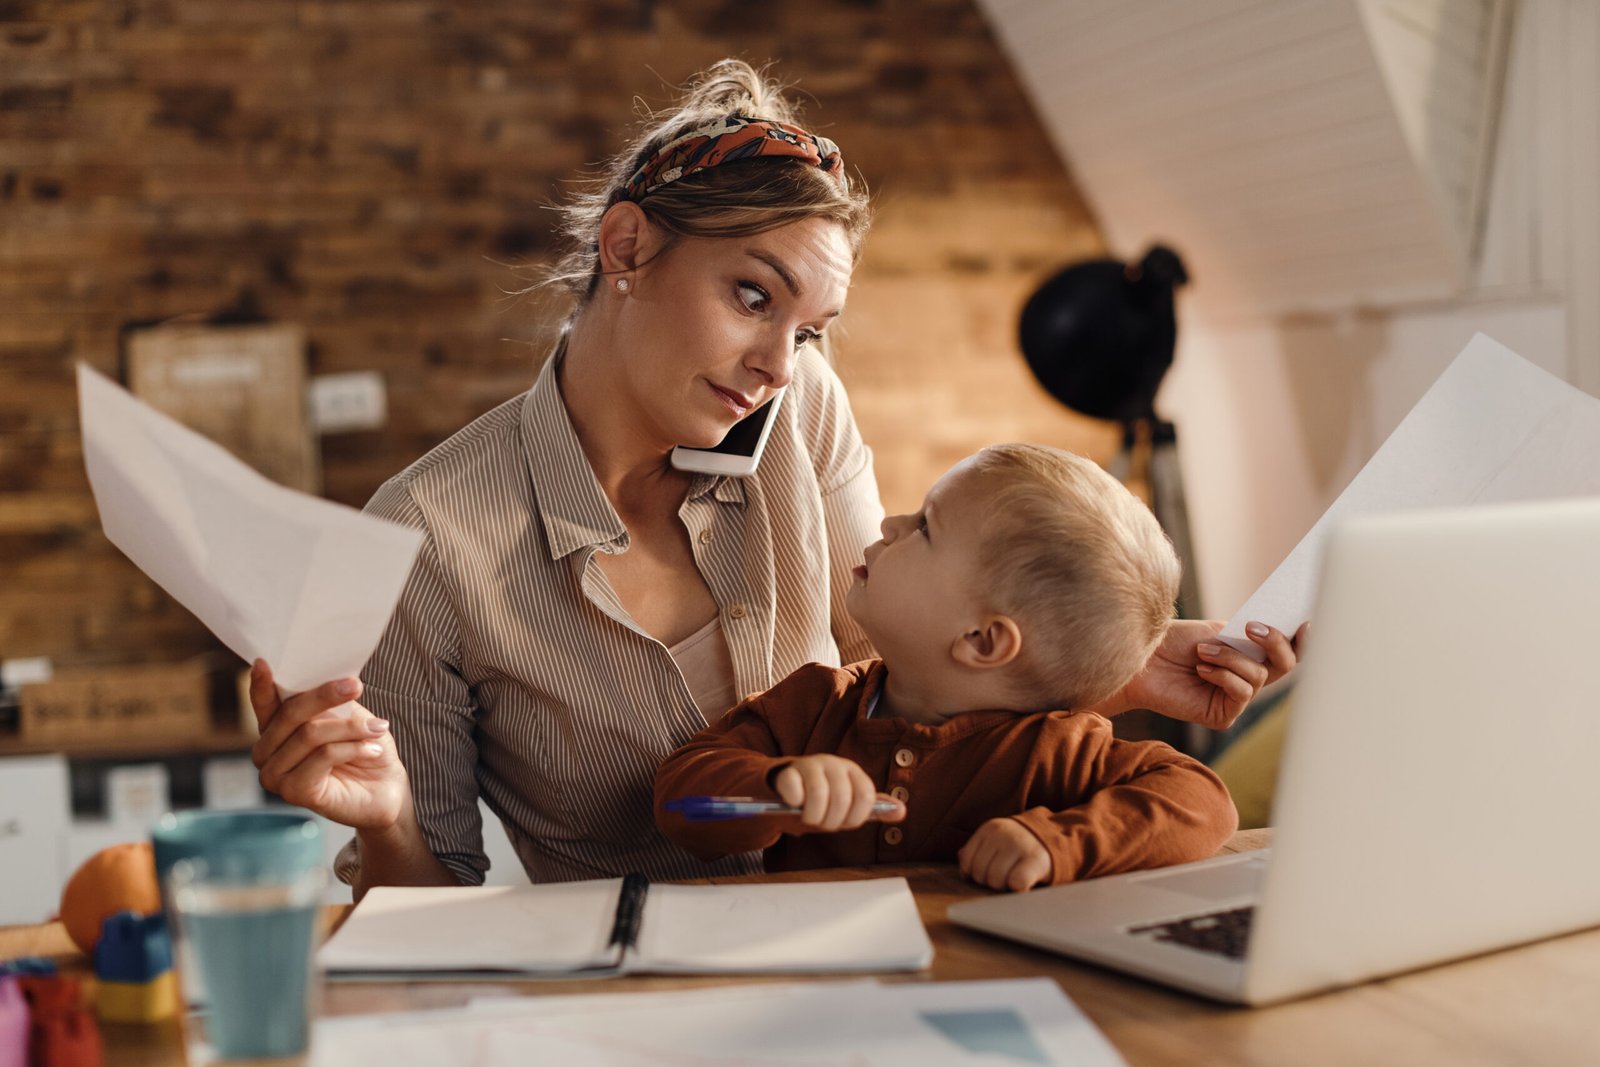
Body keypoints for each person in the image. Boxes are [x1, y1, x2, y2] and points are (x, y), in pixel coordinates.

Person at [247, 60, 1301, 899]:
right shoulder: (427, 537)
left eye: (809, 330)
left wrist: (1104, 658)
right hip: (640, 1002)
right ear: (627, 247)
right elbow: (426, 906)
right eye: (753, 296)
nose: (777, 365)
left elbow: (890, 664)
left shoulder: (800, 405)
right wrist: (381, 817)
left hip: (890, 939)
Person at [655, 444, 1236, 892]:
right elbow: (680, 803)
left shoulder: (1055, 748)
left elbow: (1204, 802)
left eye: (925, 527)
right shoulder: (812, 703)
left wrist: (1056, 843)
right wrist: (775, 788)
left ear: (982, 640)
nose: (889, 525)